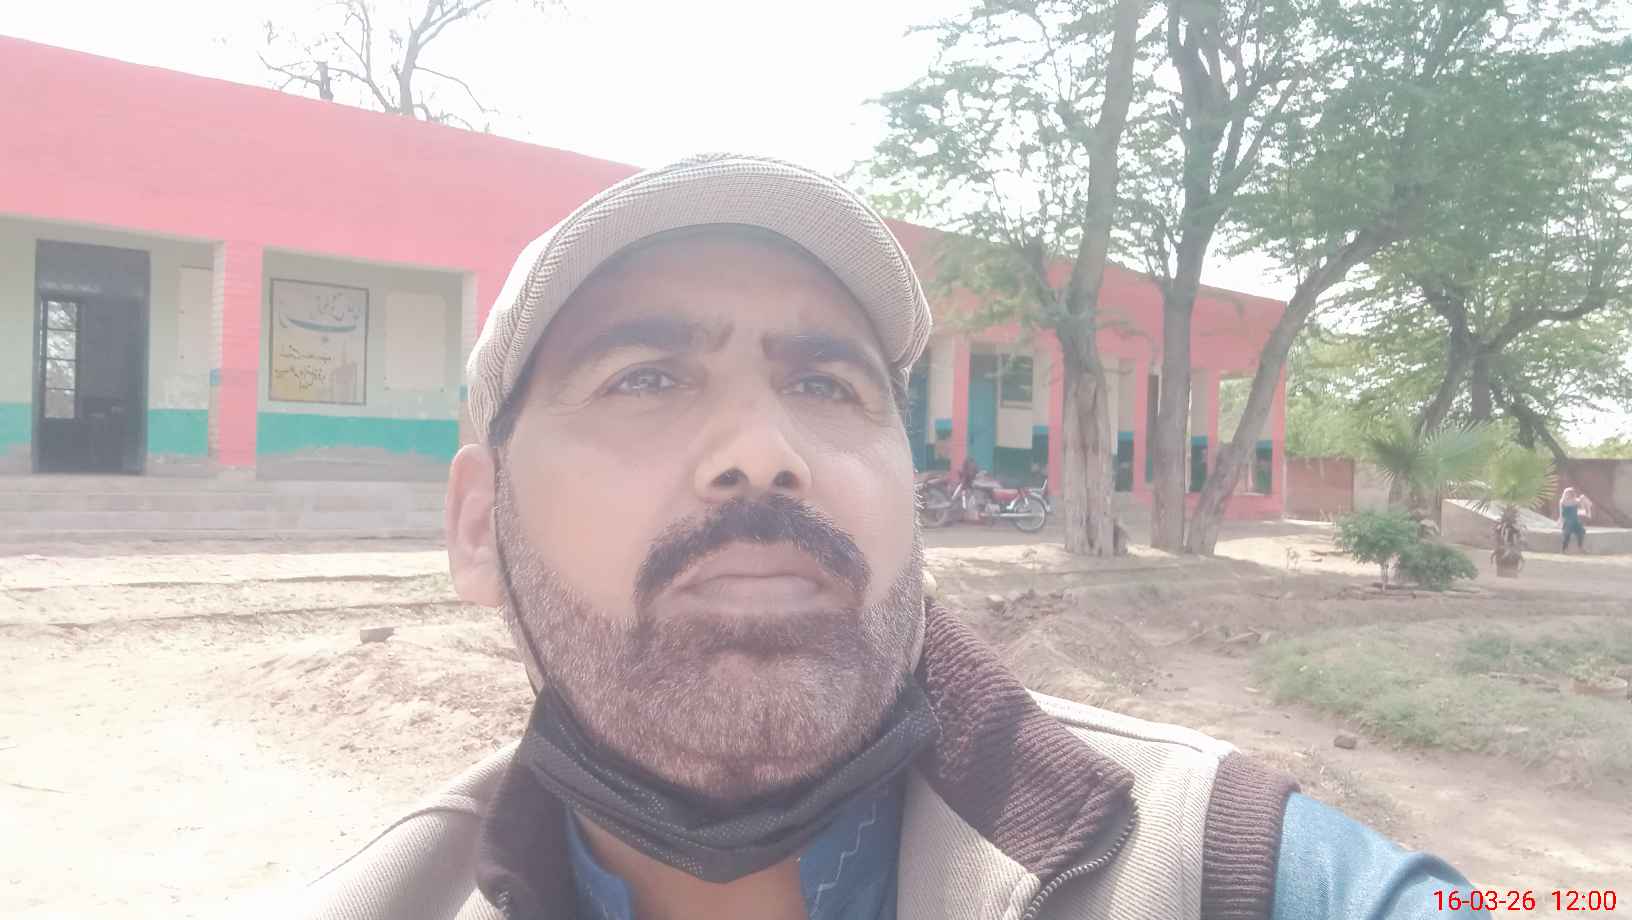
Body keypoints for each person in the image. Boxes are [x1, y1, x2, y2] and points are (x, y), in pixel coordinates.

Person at [290, 154, 1488, 919]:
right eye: (644, 376)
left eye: (828, 385)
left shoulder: (1221, 866)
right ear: (478, 526)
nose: (763, 450)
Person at [1560, 486, 1592, 553]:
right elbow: (1561, 513)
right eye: (1567, 493)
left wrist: (1584, 498)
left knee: (1581, 532)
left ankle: (1580, 547)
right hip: (1567, 521)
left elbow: (1589, 504)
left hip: (1575, 521)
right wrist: (1561, 522)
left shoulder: (1575, 501)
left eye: (1570, 493)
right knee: (1567, 533)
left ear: (1572, 494)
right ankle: (1564, 549)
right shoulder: (1563, 502)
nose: (1568, 495)